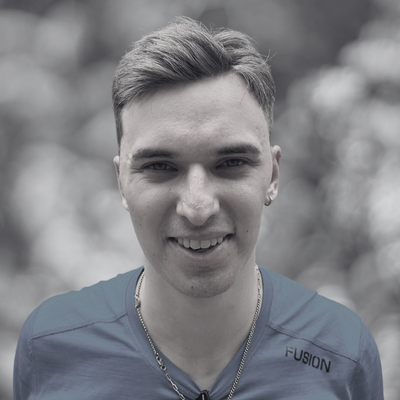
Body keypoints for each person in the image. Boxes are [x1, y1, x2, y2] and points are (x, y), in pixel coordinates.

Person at [13, 16, 383, 400]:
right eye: (160, 167)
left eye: (231, 163)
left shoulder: (340, 352)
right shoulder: (52, 347)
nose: (197, 207)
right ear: (122, 181)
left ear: (272, 175)